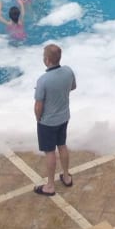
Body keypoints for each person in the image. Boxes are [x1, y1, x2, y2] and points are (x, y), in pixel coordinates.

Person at [33, 43, 76, 196]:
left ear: (47, 60)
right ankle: (66, 176)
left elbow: (38, 105)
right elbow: (73, 87)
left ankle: (50, 185)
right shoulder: (68, 71)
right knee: (62, 145)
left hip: (48, 122)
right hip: (64, 117)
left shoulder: (43, 80)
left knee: (50, 152)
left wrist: (38, 119)